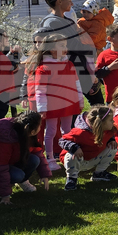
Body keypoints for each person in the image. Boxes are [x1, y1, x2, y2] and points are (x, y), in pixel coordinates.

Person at [33, 0, 98, 101]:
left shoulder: (65, 20)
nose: (72, 4)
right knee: (75, 104)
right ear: (59, 2)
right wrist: (91, 50)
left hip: (78, 66)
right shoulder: (52, 22)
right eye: (69, 0)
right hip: (69, 68)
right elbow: (71, 44)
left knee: (93, 101)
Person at [27, 34, 83, 167]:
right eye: (61, 45)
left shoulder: (69, 64)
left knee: (67, 130)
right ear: (52, 49)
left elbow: (77, 84)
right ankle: (50, 158)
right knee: (51, 131)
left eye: (65, 45)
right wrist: (42, 108)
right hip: (52, 106)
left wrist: (80, 101)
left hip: (69, 104)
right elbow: (40, 90)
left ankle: (67, 155)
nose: (65, 48)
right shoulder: (43, 68)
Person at [0, 112, 49, 204]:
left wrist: (44, 174)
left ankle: (23, 181)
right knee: (18, 175)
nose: (41, 128)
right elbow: (0, 166)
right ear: (32, 131)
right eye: (40, 125)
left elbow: (38, 152)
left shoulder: (28, 134)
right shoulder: (6, 140)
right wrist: (5, 196)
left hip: (14, 161)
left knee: (35, 159)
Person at [59, 106, 118, 190]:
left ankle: (99, 173)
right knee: (71, 155)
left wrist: (111, 140)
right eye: (111, 120)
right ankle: (71, 178)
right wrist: (75, 148)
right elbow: (62, 140)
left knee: (113, 147)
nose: (113, 121)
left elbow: (111, 135)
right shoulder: (80, 132)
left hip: (92, 159)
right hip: (76, 162)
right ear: (101, 123)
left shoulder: (108, 130)